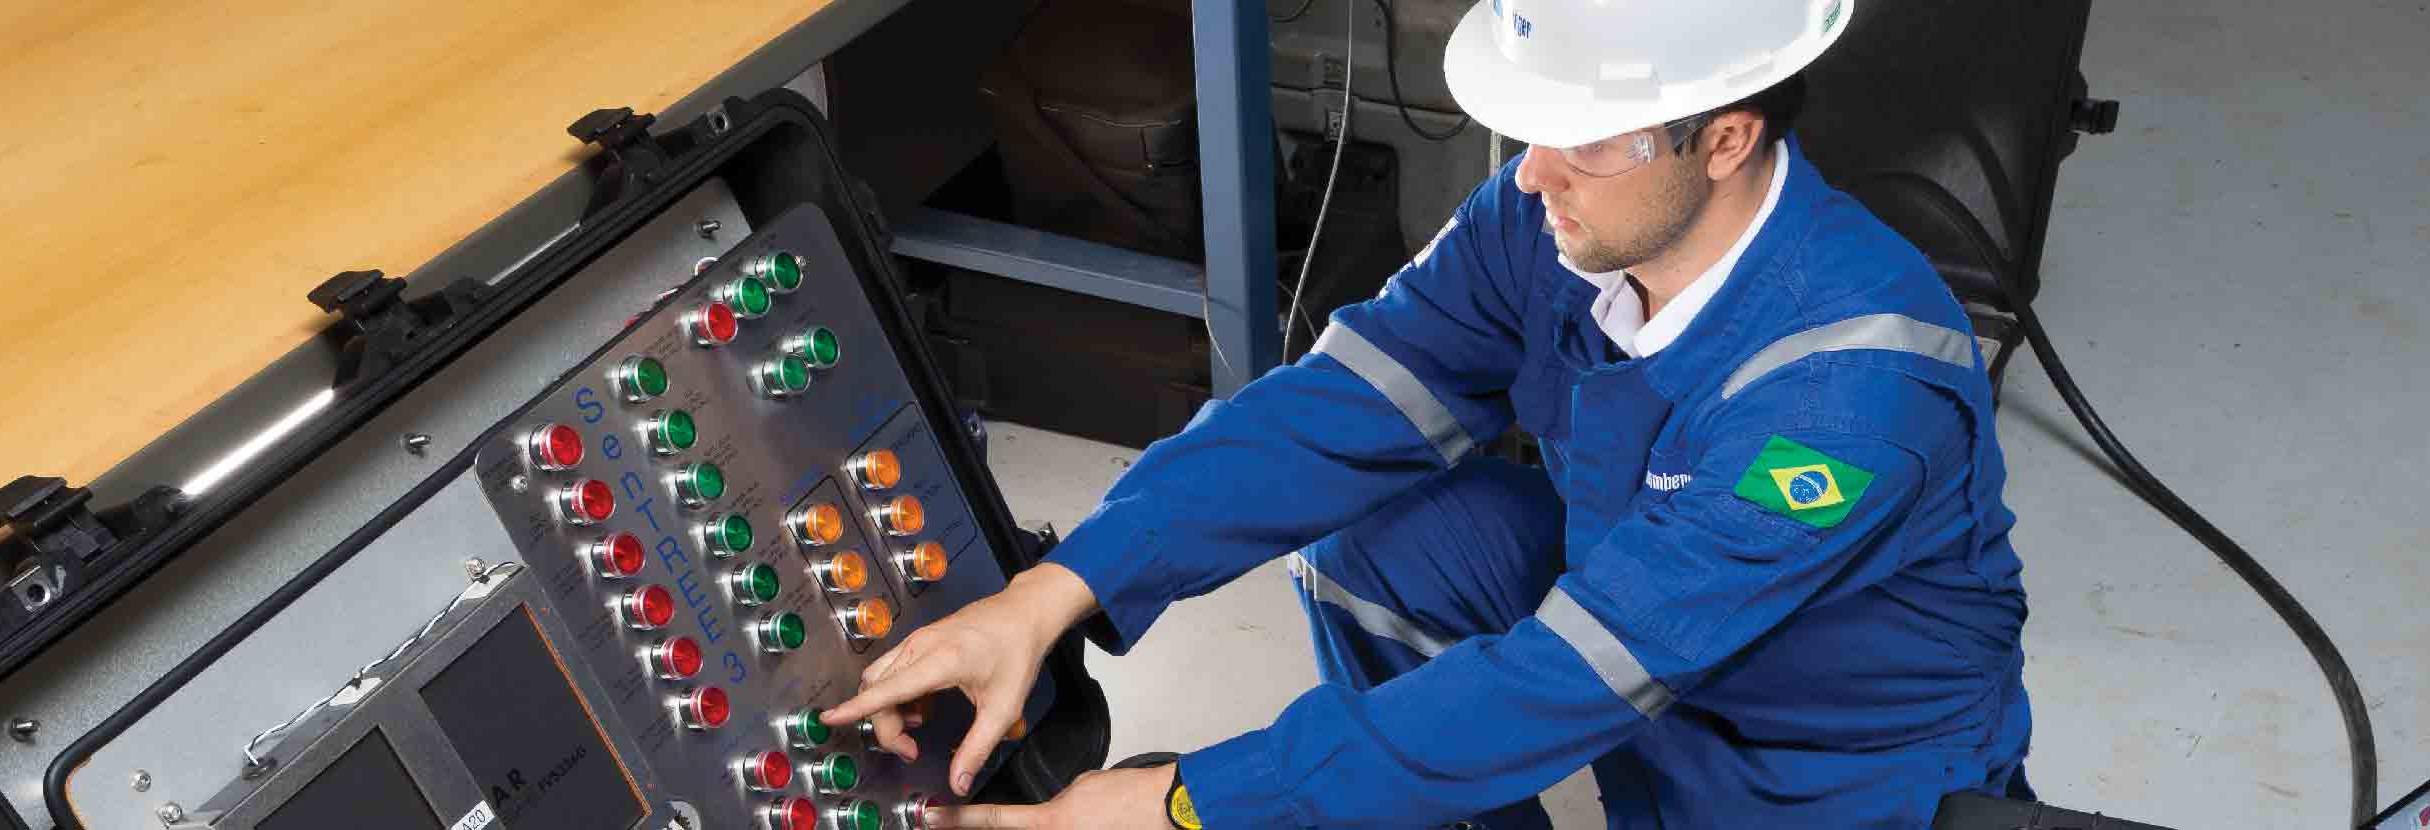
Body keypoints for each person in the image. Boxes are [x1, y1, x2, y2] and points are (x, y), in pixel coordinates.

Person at [825, 1, 2030, 826]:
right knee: (1375, 541)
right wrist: (1055, 588)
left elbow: (1570, 672)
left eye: (1584, 140)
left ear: (1722, 139)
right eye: (1532, 122)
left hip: (1823, 759)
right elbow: (1340, 404)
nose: (1532, 171)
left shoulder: (1850, 394)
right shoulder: (1554, 215)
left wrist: (1184, 800)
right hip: (1629, 610)